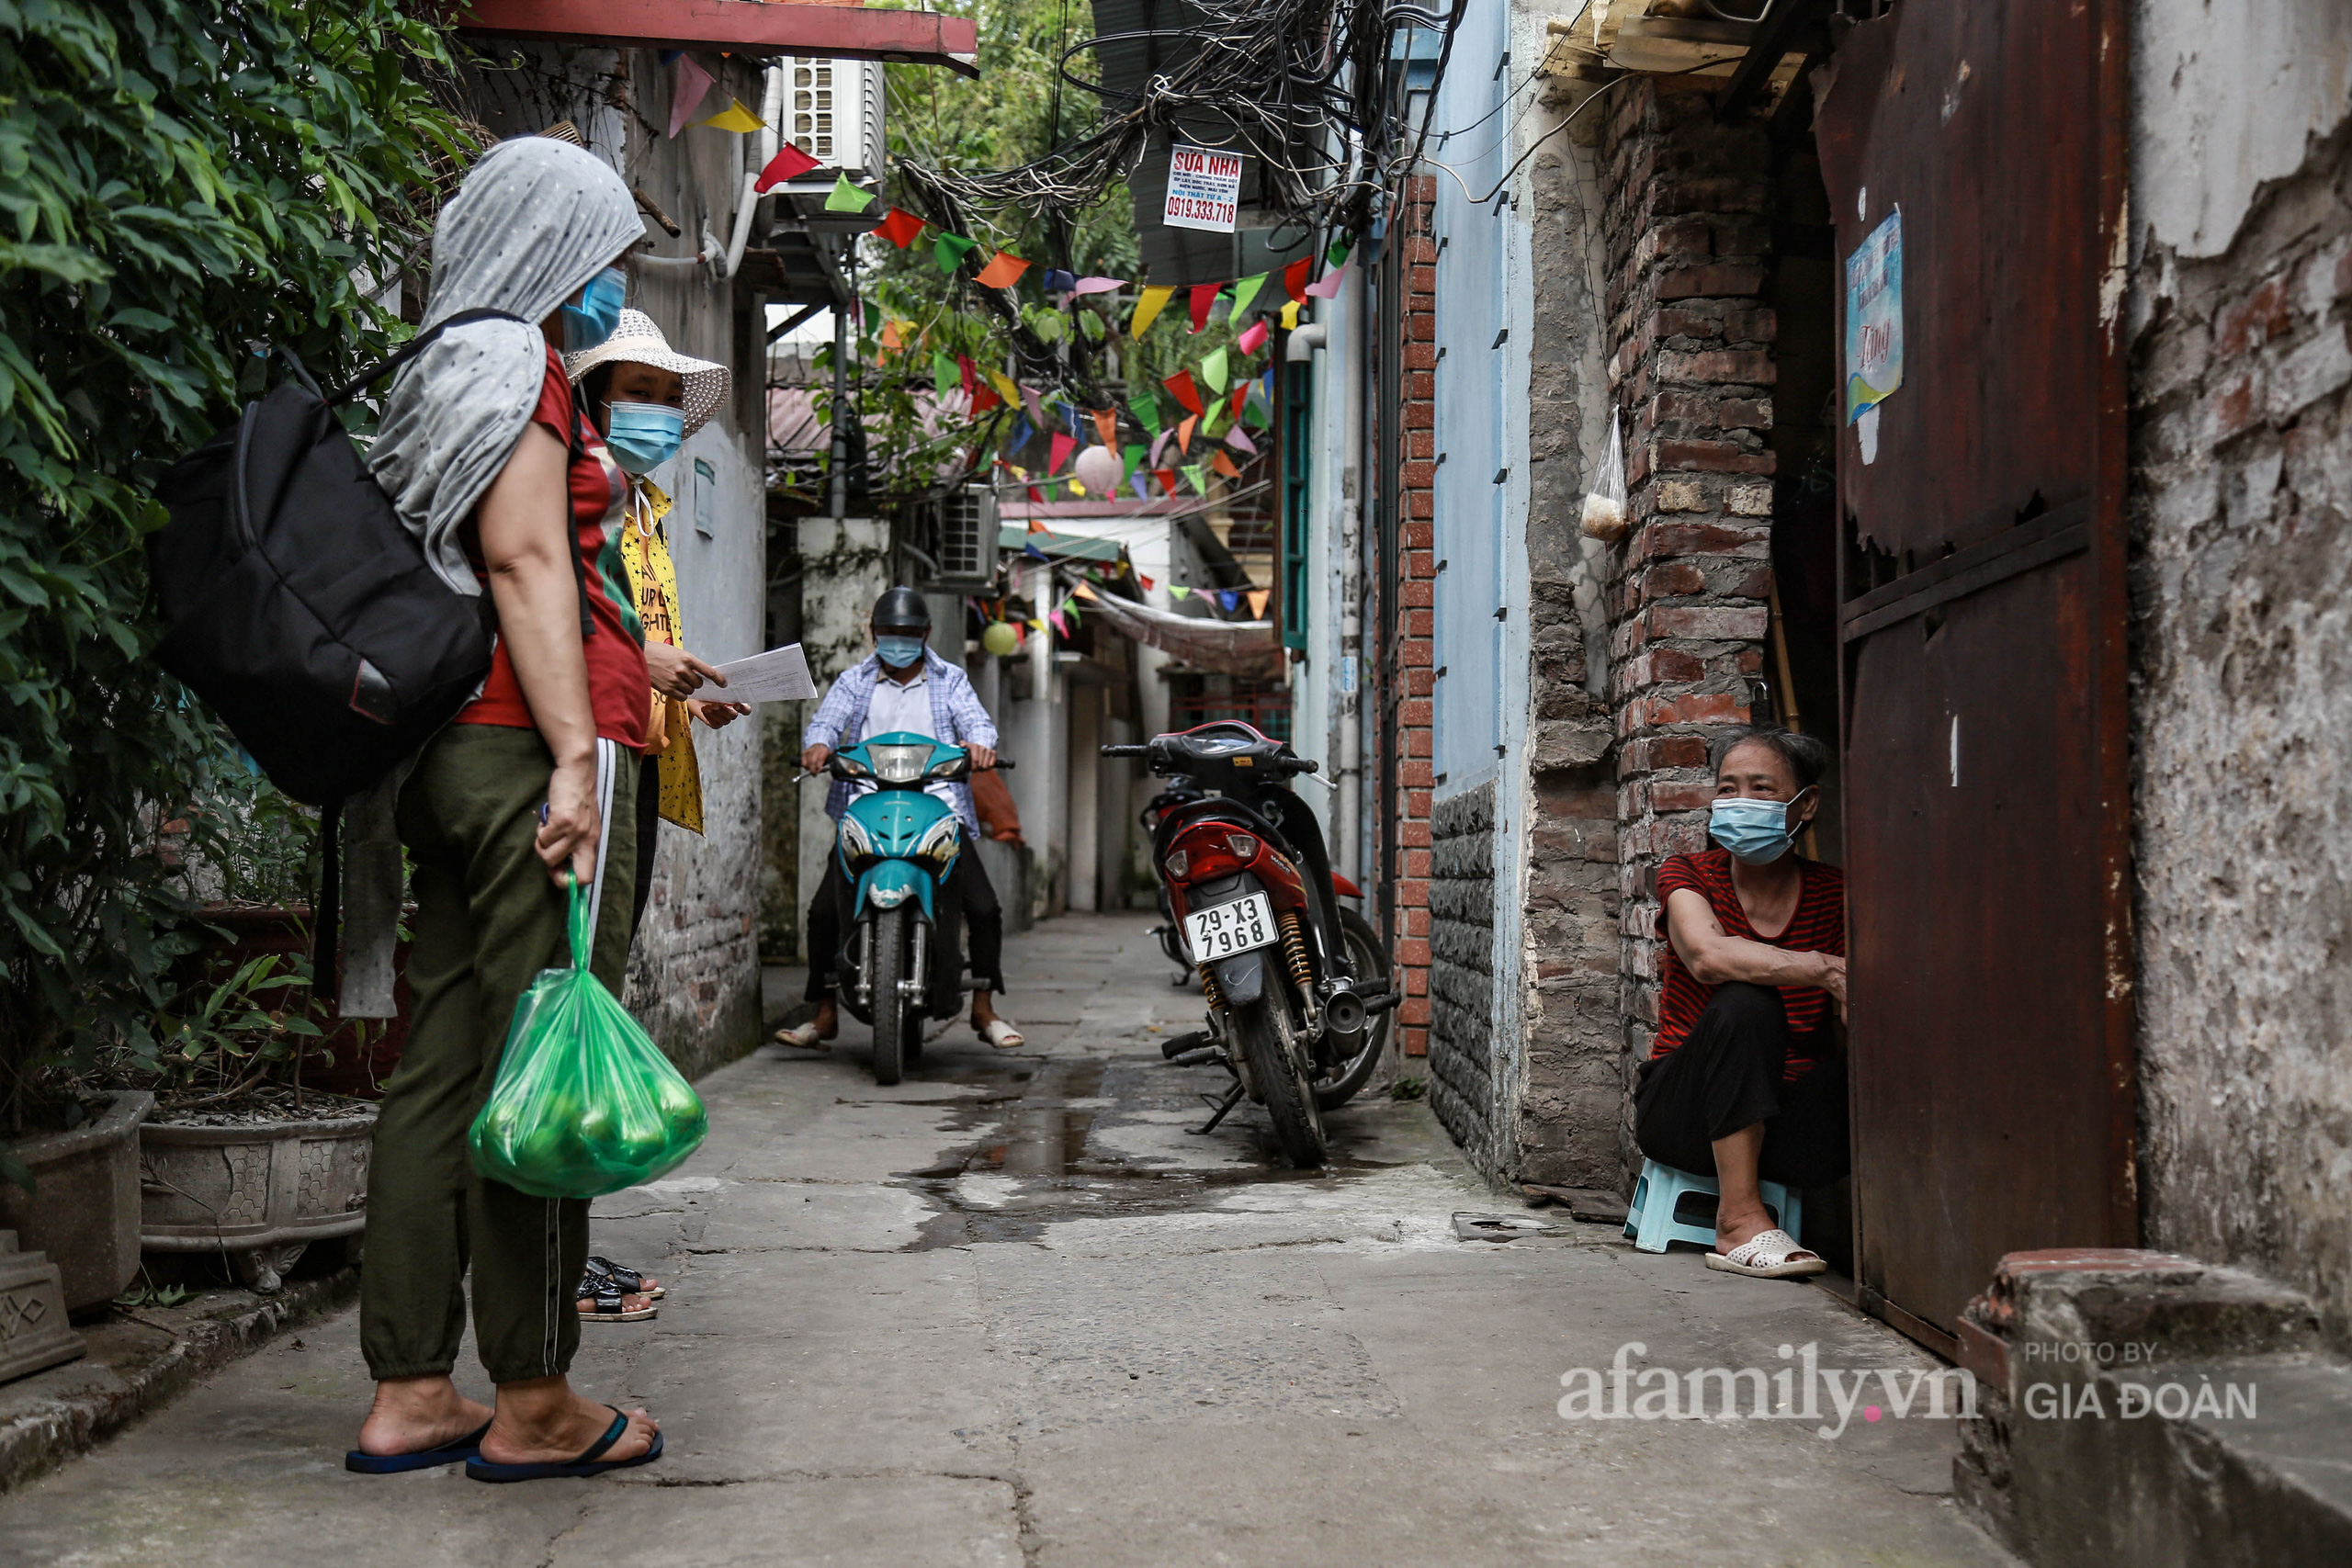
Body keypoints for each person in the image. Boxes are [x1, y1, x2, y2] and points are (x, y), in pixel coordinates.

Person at [349, 137, 659, 1479]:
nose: (610, 279)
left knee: (439, 1068)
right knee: (543, 1068)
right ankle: (535, 1398)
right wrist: (578, 758)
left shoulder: (432, 368)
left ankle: (412, 1384)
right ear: (545, 244)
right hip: (515, 752)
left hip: (438, 762)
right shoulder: (516, 368)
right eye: (599, 250)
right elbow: (526, 560)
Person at [560, 310, 748, 1325]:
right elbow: (570, 630)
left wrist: (686, 691)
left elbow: (633, 642)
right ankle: (553, 1250)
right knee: (571, 1001)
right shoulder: (580, 498)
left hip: (635, 748)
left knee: (596, 997)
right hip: (581, 752)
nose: (658, 415)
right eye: (638, 393)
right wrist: (647, 669)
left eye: (669, 399)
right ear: (591, 401)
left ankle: (567, 1243)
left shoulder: (643, 510)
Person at [1634, 725, 1848, 1280]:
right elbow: (1707, 956)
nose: (1740, 803)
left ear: (1807, 804)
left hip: (1788, 1125)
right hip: (1687, 1116)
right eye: (1728, 789)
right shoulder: (1688, 875)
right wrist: (1822, 969)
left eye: (1762, 788)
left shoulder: (1836, 894)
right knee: (1747, 1001)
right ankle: (1737, 1221)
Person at [776, 588, 1023, 1051]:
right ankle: (825, 1012)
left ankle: (984, 1007)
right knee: (822, 912)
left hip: (939, 808)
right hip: (867, 806)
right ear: (874, 634)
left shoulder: (950, 680)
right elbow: (826, 723)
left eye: (909, 633)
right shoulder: (854, 681)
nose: (899, 641)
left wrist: (980, 745)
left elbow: (977, 724)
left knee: (985, 909)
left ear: (926, 634)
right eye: (890, 633)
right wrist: (818, 746)